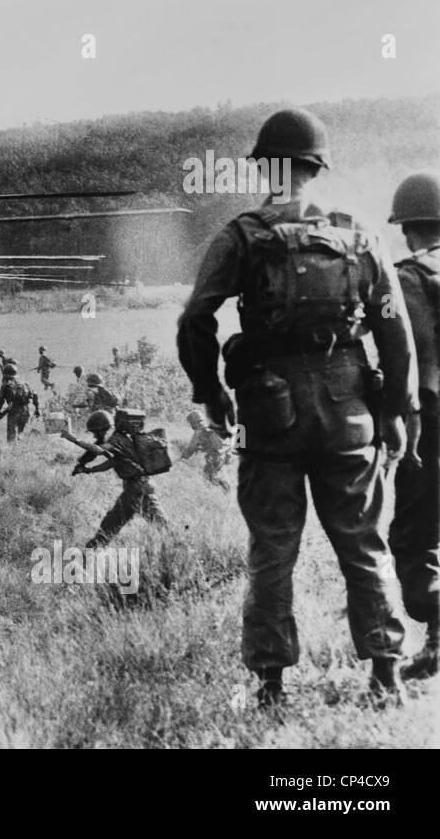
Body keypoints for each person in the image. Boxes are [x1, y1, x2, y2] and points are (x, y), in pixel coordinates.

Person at [177, 107, 416, 707]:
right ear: (318, 166)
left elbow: (195, 318)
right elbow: (395, 330)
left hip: (269, 409)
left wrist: (212, 396)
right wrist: (395, 411)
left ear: (266, 167)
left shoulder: (244, 234)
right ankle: (386, 674)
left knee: (273, 549)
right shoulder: (357, 232)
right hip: (349, 407)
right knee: (364, 544)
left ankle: (270, 684)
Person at [386, 171, 440, 681]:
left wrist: (410, 419)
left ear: (406, 228)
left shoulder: (409, 276)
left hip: (432, 422)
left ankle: (437, 633)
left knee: (414, 538)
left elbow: (417, 357)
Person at [73, 409, 167, 548]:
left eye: (95, 432)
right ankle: (173, 548)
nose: (94, 435)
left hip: (134, 489)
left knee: (110, 525)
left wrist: (72, 438)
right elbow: (113, 462)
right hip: (144, 486)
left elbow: (98, 450)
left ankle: (91, 553)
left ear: (103, 429)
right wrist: (88, 469)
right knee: (161, 524)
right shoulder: (124, 438)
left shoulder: (117, 439)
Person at [182, 408, 231, 489]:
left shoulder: (212, 431)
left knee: (209, 474)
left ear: (203, 420)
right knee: (208, 475)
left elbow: (227, 445)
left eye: (199, 422)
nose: (198, 424)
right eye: (194, 423)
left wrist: (219, 452)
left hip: (220, 456)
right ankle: (221, 487)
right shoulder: (198, 434)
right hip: (212, 457)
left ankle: (224, 487)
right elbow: (190, 448)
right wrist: (183, 458)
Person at [0, 362, 39, 441]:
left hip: (14, 411)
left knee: (11, 436)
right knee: (21, 433)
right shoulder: (24, 384)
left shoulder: (5, 385)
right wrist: (37, 409)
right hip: (26, 410)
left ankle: (12, 451)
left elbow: (0, 399)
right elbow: (35, 395)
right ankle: (21, 448)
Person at [65, 366, 92, 431]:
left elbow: (81, 390)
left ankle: (83, 426)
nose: (75, 375)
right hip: (84, 397)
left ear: (78, 372)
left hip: (85, 397)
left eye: (76, 373)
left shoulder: (83, 378)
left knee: (81, 411)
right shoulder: (80, 378)